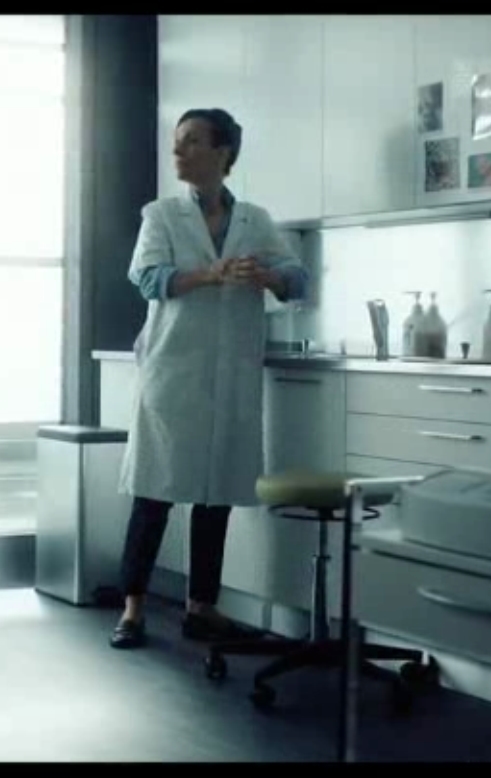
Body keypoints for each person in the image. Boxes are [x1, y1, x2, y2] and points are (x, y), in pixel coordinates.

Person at [109, 108, 309, 650]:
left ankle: (202, 607)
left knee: (216, 493)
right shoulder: (162, 214)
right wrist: (210, 274)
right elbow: (148, 279)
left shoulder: (255, 220)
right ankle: (132, 608)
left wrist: (266, 275)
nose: (179, 151)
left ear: (222, 152)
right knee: (154, 491)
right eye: (178, 142)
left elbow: (297, 278)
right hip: (174, 370)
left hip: (231, 372)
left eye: (192, 141)